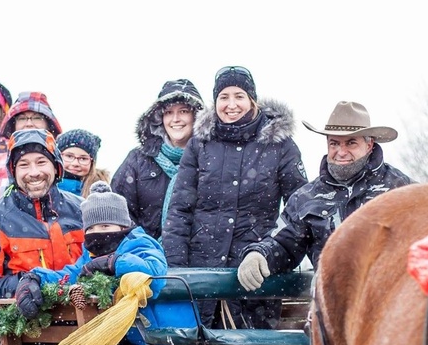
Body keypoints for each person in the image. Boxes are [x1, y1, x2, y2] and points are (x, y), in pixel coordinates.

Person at [162, 66, 306, 329]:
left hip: (255, 274)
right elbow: (180, 212)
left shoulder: (281, 145)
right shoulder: (199, 144)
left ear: (252, 100)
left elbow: (299, 211)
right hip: (201, 272)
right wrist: (178, 273)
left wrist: (270, 254)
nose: (231, 105)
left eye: (238, 96)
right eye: (223, 97)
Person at [237, 101, 413, 290]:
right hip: (330, 305)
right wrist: (259, 254)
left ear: (369, 144)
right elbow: (283, 244)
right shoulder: (307, 198)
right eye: (334, 143)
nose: (341, 151)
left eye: (351, 142)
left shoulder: (401, 190)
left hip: (389, 302)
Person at [29, 183, 196, 345]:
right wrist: (36, 277)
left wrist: (115, 262)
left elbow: (154, 274)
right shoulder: (90, 254)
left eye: (105, 225)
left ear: (123, 225)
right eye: (90, 229)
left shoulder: (139, 243)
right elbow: (70, 275)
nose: (97, 233)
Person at [0, 129, 84, 301]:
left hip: (85, 319)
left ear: (57, 167)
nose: (34, 172)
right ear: (13, 171)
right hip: (25, 324)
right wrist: (22, 285)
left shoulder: (81, 209)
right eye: (24, 164)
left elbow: (101, 262)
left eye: (41, 162)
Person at [112, 79, 204, 239]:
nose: (175, 119)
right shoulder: (137, 160)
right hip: (147, 257)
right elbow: (118, 210)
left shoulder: (211, 158)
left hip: (199, 258)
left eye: (183, 111)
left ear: (196, 116)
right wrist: (145, 246)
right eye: (168, 112)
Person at [0, 91, 63, 200]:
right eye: (22, 118)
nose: (29, 123)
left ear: (48, 125)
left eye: (37, 118)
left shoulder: (64, 161)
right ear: (13, 125)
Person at [56, 129, 109, 197]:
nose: (75, 163)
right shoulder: (44, 187)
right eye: (69, 156)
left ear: (92, 163)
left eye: (83, 158)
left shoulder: (101, 194)